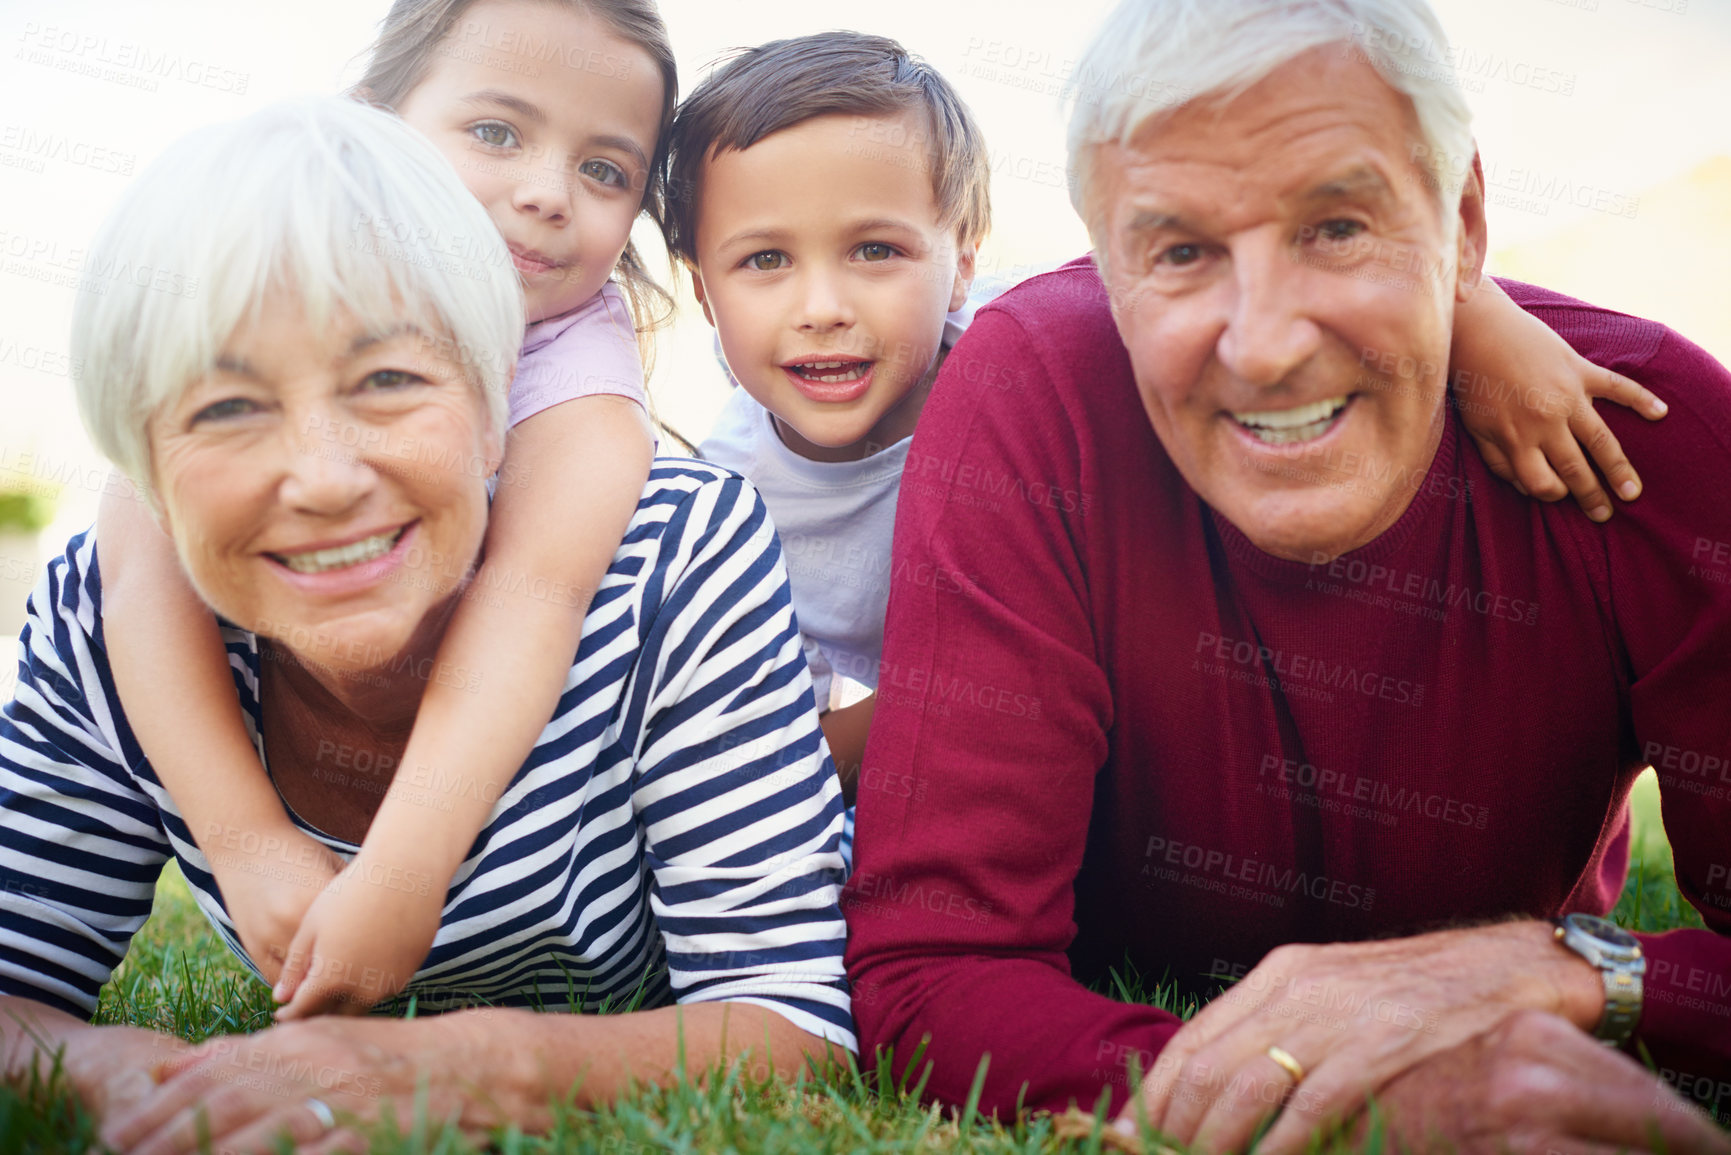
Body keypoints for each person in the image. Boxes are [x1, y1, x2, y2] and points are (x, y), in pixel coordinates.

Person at [842, 0, 1731, 1152]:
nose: (1262, 344)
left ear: (1461, 223)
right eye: (1180, 252)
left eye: (1338, 227)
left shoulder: (1649, 432)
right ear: (1105, 267)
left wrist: (1568, 973)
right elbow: (935, 970)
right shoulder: (1031, 401)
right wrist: (1350, 1109)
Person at [0, 98, 850, 1152]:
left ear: (499, 397)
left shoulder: (675, 561)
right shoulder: (108, 614)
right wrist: (110, 1074)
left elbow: (793, 1022)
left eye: (390, 380)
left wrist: (447, 1066)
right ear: (143, 463)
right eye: (226, 409)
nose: (321, 478)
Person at [665, 31, 1658, 870]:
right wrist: (943, 709)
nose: (824, 308)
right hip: (975, 748)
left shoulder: (1028, 358)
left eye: (876, 251)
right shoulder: (727, 507)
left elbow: (1219, 285)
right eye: (765, 261)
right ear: (703, 290)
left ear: (961, 260)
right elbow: (772, 758)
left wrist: (1488, 327)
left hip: (1125, 751)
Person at [93, 0, 675, 1018]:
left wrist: (406, 873)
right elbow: (142, 574)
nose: (548, 195)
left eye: (606, 169)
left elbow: (531, 596)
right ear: (373, 124)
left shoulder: (584, 383)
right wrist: (248, 844)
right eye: (498, 132)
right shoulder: (255, 288)